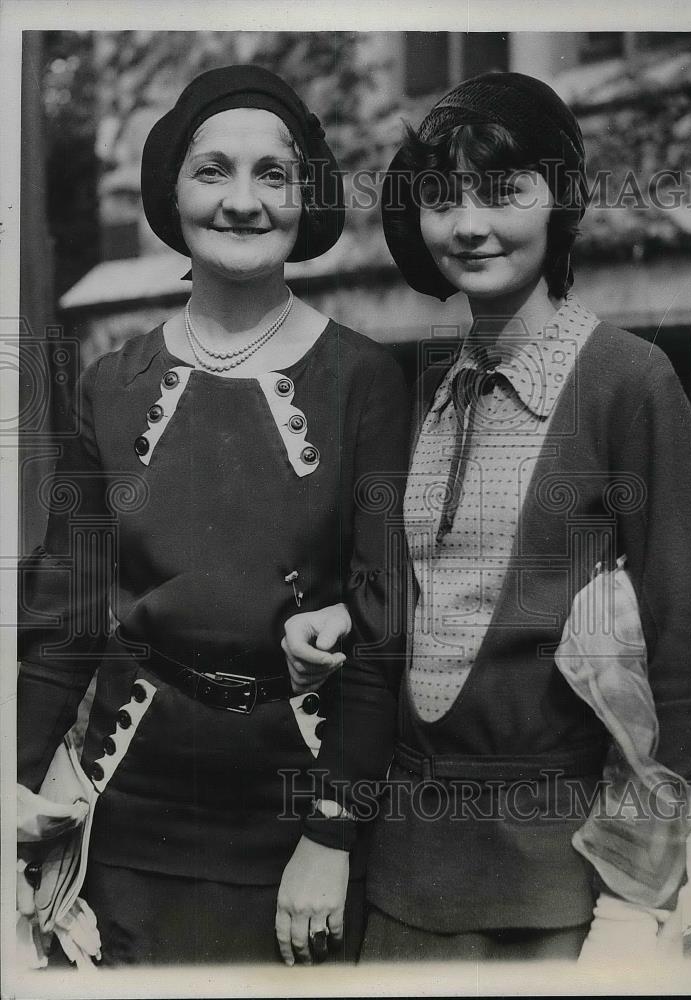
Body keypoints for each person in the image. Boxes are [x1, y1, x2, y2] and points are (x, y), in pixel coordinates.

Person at [283, 71, 691, 963]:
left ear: (559, 198)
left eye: (503, 191)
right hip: (403, 875)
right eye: (441, 198)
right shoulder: (438, 393)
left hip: (559, 888)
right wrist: (345, 616)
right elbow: (441, 594)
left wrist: (635, 899)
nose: (468, 225)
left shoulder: (628, 382)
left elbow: (682, 661)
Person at [17, 64, 408, 967]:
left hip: (296, 834)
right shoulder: (110, 384)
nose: (242, 201)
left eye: (272, 174)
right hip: (122, 820)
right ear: (171, 193)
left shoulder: (364, 381)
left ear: (303, 196)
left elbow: (385, 621)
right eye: (212, 171)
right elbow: (65, 615)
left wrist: (334, 836)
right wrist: (11, 784)